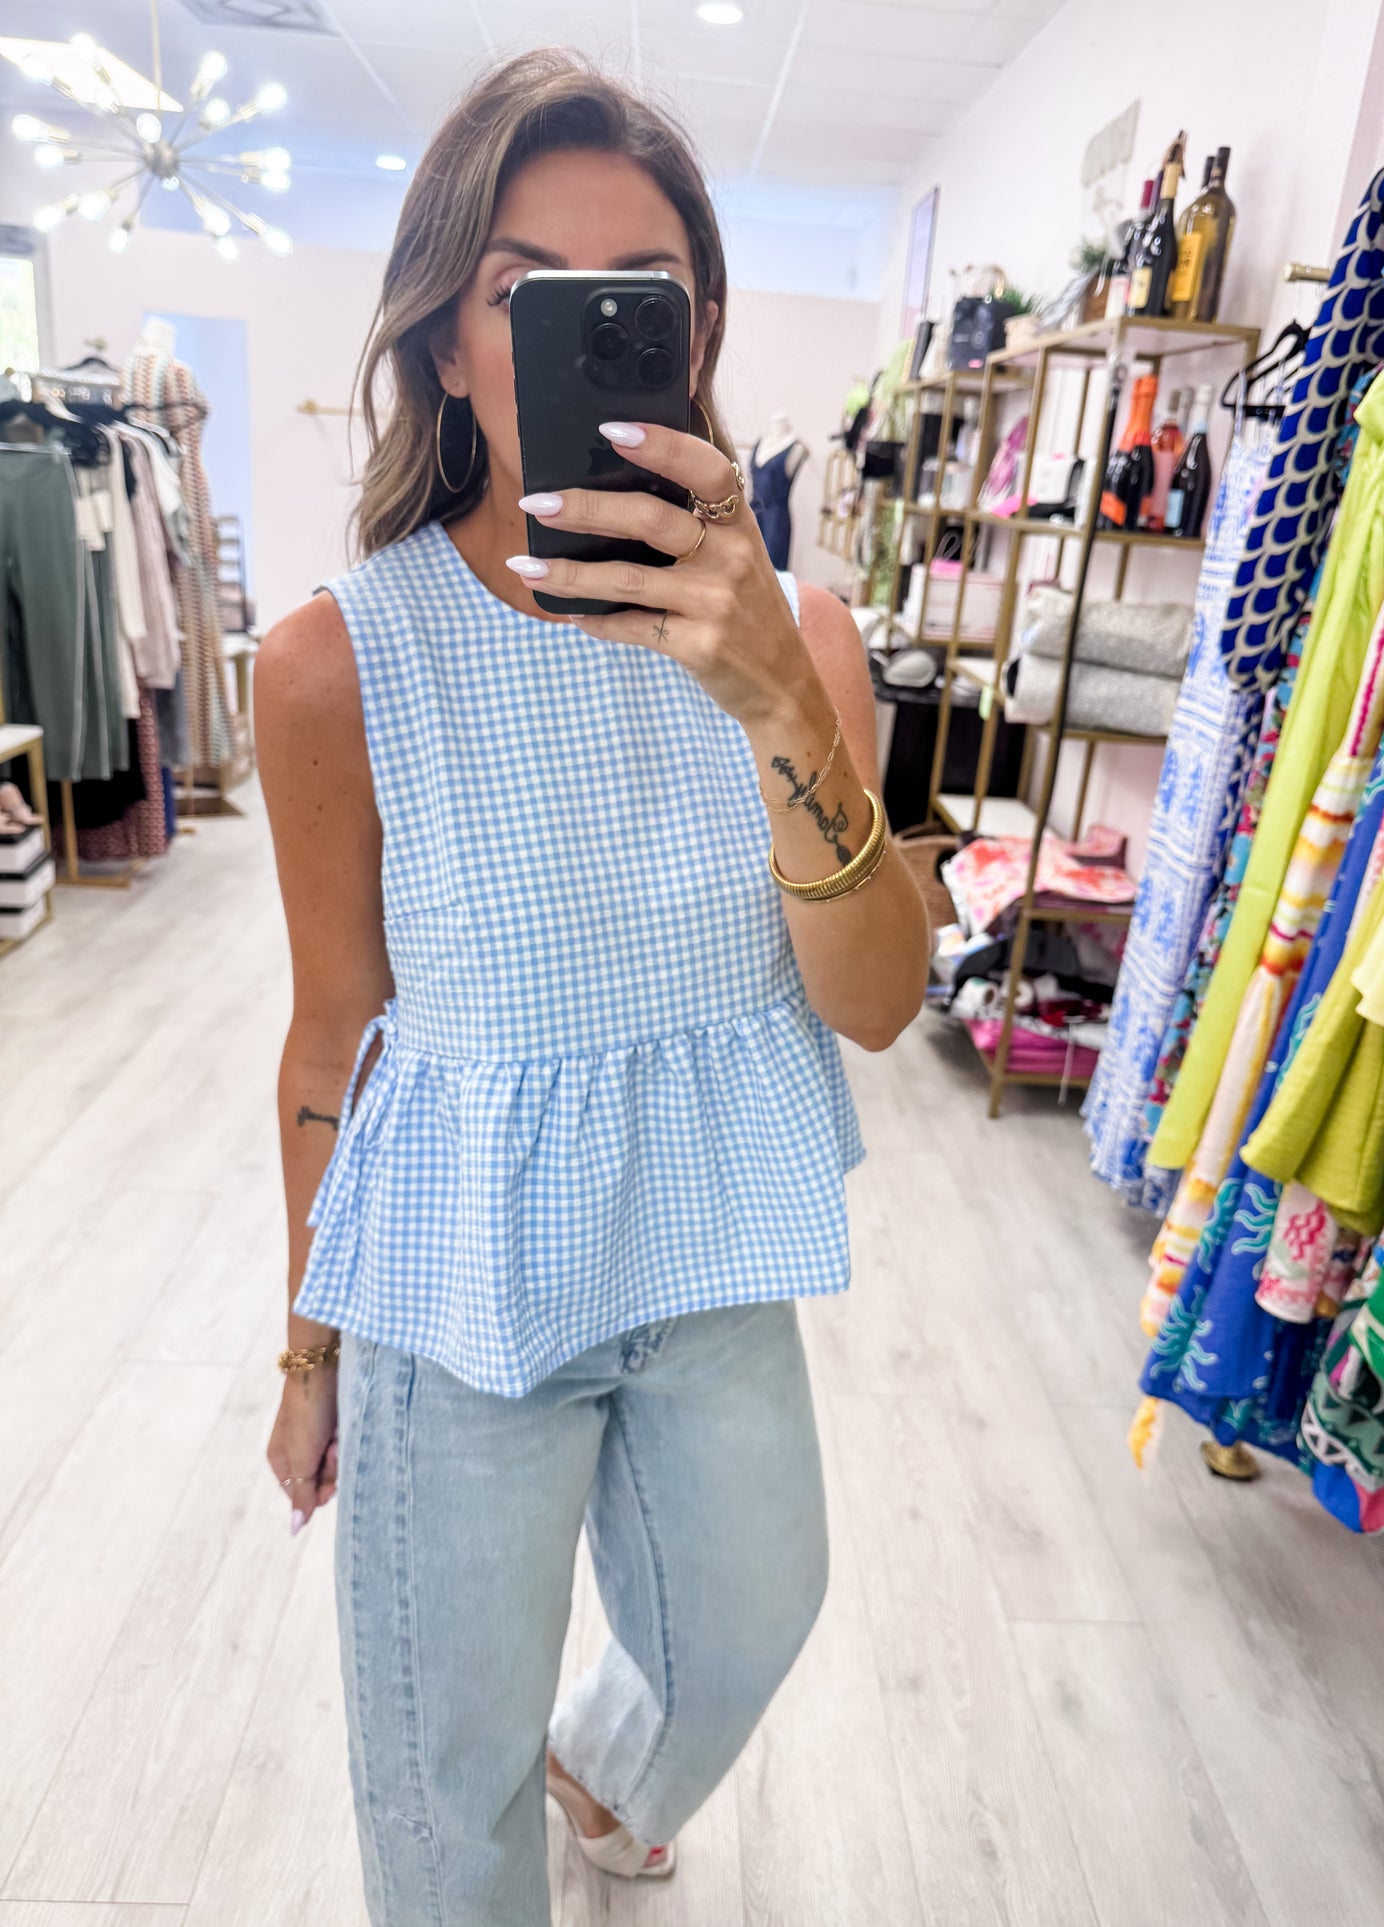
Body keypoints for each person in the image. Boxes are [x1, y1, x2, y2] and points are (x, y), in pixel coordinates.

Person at [255, 45, 928, 1925]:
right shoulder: (337, 657)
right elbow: (332, 1032)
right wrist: (308, 1350)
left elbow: (874, 1001)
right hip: (458, 1288)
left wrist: (784, 706)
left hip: (705, 1250)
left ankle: (608, 1768)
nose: (575, 322)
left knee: (744, 1630)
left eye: (630, 287)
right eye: (519, 283)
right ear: (450, 336)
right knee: (443, 1796)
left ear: (689, 326)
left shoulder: (798, 634)